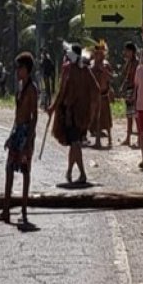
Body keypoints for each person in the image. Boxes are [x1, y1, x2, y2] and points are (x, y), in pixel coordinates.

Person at [0, 52, 39, 226]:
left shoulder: (32, 89)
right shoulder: (20, 87)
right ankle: (6, 210)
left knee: (25, 171)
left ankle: (23, 210)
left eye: (20, 68)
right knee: (9, 169)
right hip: (17, 131)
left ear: (27, 69)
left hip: (26, 132)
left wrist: (29, 141)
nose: (17, 71)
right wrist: (11, 135)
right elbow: (17, 115)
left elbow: (34, 116)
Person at [50, 44, 98, 185]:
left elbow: (62, 91)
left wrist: (53, 107)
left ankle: (82, 173)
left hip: (73, 114)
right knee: (74, 143)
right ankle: (70, 171)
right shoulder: (82, 70)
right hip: (78, 114)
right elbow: (95, 89)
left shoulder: (72, 69)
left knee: (75, 143)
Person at [90, 40, 114, 148]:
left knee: (106, 117)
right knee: (96, 118)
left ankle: (110, 139)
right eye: (96, 53)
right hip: (94, 95)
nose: (98, 55)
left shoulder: (106, 65)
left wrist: (104, 70)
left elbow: (111, 78)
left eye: (100, 53)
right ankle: (97, 140)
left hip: (104, 94)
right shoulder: (91, 65)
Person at [117, 42, 138, 148]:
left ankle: (139, 139)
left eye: (127, 51)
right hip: (129, 89)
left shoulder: (136, 63)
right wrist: (122, 87)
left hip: (135, 90)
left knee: (136, 115)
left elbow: (136, 79)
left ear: (132, 51)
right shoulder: (128, 63)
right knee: (129, 115)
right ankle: (128, 138)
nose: (125, 53)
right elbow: (126, 77)